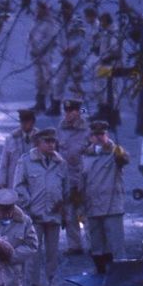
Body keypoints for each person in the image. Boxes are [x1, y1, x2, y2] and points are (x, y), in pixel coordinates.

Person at [13, 127, 68, 286]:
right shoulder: (26, 161)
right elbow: (18, 186)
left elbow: (65, 188)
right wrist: (27, 205)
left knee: (53, 254)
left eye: (53, 141)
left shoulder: (60, 162)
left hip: (53, 215)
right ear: (38, 143)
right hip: (33, 216)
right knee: (33, 254)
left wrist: (63, 208)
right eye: (48, 141)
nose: (52, 144)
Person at [79, 120, 130, 273]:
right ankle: (100, 280)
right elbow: (82, 180)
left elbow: (125, 159)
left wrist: (119, 151)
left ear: (107, 134)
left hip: (112, 207)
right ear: (91, 136)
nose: (99, 137)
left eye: (102, 134)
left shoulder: (115, 152)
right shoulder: (86, 155)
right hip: (92, 207)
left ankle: (121, 284)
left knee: (116, 247)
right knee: (96, 247)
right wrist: (80, 207)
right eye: (96, 134)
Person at [0, 189, 38, 286]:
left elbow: (32, 246)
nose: (5, 214)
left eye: (8, 209)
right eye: (2, 210)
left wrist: (11, 255)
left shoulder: (24, 221)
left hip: (13, 277)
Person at [57, 99, 90, 255]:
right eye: (66, 111)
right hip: (67, 178)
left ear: (78, 111)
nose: (68, 114)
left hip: (84, 178)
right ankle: (74, 246)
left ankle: (94, 245)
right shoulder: (61, 128)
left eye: (71, 111)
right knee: (69, 214)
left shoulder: (87, 130)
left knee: (87, 213)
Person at [28, 1, 61, 115]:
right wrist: (33, 50)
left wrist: (40, 50)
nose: (37, 11)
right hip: (36, 56)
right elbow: (32, 37)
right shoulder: (36, 22)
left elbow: (49, 40)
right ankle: (40, 104)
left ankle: (54, 104)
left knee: (49, 79)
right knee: (39, 80)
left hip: (47, 55)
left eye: (39, 9)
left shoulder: (50, 23)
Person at [54, 1, 88, 103]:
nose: (65, 12)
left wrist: (71, 48)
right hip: (65, 57)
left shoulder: (77, 22)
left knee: (76, 85)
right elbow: (58, 39)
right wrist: (62, 50)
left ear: (71, 10)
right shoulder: (60, 23)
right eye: (63, 10)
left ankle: (81, 111)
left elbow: (80, 38)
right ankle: (56, 105)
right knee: (59, 81)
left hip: (76, 57)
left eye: (67, 10)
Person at [0, 109, 37, 190]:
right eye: (22, 122)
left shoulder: (39, 138)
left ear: (32, 122)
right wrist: (1, 181)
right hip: (14, 180)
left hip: (34, 180)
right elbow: (4, 162)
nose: (23, 125)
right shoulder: (12, 138)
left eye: (26, 122)